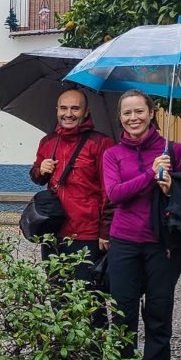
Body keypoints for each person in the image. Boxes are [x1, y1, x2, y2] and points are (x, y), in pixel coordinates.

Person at [102, 89, 181, 360]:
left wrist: (170, 188)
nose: (133, 118)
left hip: (162, 244)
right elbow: (115, 193)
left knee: (158, 310)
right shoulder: (112, 155)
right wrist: (149, 175)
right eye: (127, 113)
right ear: (120, 118)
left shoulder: (174, 150)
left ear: (152, 113)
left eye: (139, 111)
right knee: (123, 311)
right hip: (124, 241)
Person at [29, 89, 114, 278]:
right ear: (57, 110)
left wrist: (105, 231)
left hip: (87, 233)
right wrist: (40, 170)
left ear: (85, 112)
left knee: (88, 296)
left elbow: (108, 191)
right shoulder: (48, 141)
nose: (68, 114)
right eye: (64, 108)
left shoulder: (101, 143)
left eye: (75, 108)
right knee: (57, 293)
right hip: (53, 230)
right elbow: (36, 178)